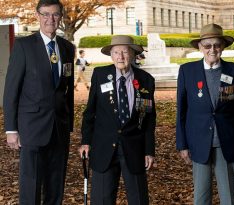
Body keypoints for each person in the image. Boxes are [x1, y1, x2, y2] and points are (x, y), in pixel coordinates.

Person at [3, 0, 75, 204]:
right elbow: (11, 90)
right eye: (45, 14)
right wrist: (11, 129)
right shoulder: (24, 46)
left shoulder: (67, 47)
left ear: (60, 17)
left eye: (55, 14)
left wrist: (69, 123)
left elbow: (67, 90)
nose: (50, 19)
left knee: (56, 183)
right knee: (31, 183)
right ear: (37, 16)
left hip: (59, 128)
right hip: (31, 127)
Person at [79, 35, 156, 205]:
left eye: (125, 52)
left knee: (138, 199)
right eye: (116, 52)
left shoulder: (146, 80)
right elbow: (90, 112)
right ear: (111, 55)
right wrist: (85, 141)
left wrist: (149, 150)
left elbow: (149, 119)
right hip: (103, 147)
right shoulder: (100, 75)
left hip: (134, 148)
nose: (120, 56)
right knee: (102, 200)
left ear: (133, 54)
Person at [176, 23, 234, 205]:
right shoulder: (187, 71)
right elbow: (181, 111)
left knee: (229, 198)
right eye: (207, 46)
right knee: (201, 197)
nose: (212, 49)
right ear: (200, 47)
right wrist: (182, 144)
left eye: (216, 45)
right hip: (198, 143)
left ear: (222, 46)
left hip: (227, 143)